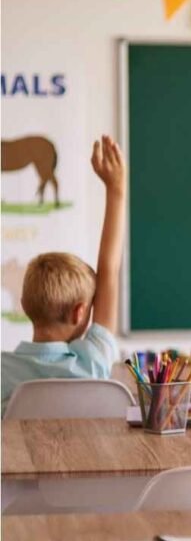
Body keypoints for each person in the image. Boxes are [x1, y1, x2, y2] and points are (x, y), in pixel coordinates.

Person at [1, 136, 126, 416]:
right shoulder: (92, 362)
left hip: (14, 463)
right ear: (80, 312)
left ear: (23, 305)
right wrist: (116, 188)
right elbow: (109, 270)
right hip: (87, 462)